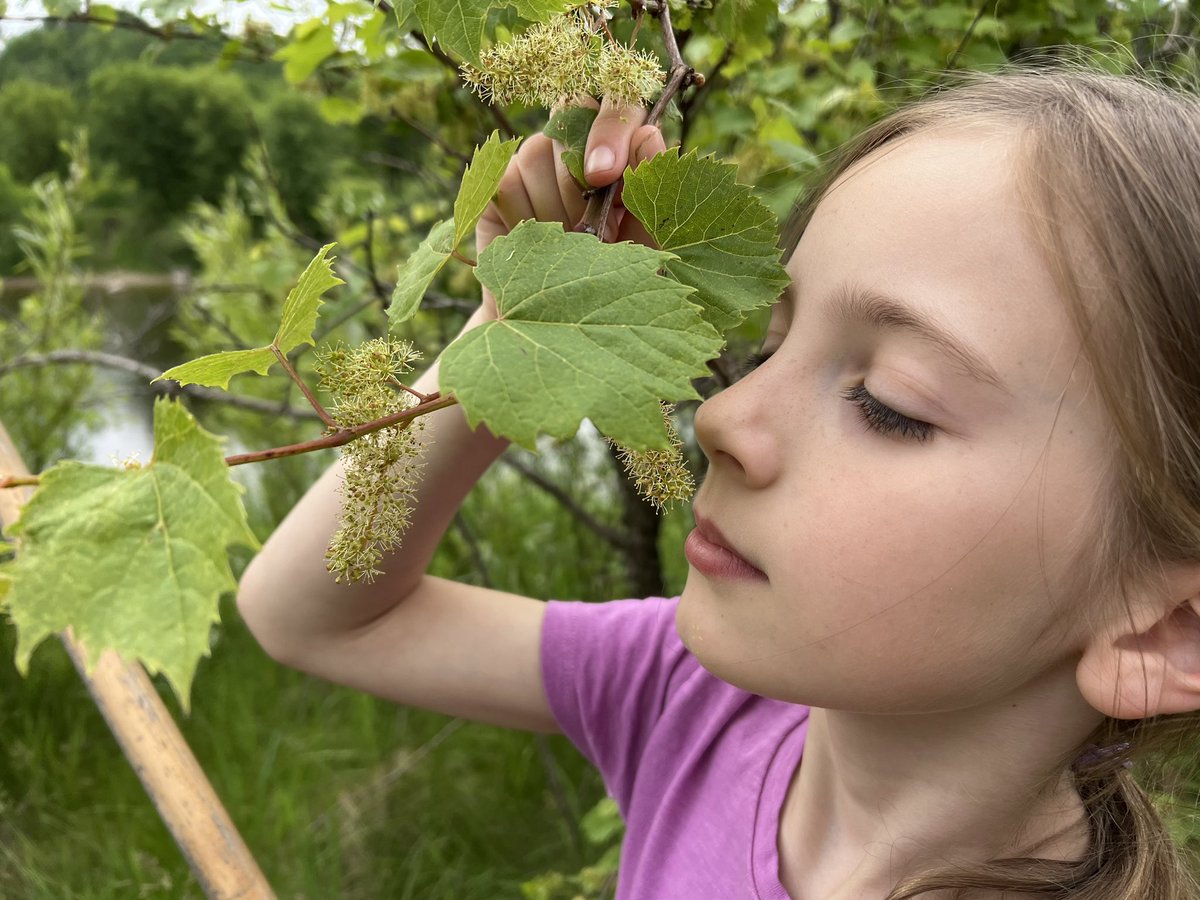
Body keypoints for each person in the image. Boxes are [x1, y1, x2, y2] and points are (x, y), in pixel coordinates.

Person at [236, 67, 1200, 898]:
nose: (721, 419)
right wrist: (525, 328)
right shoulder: (689, 699)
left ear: (1165, 625)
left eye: (890, 404)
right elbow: (316, 616)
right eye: (772, 342)